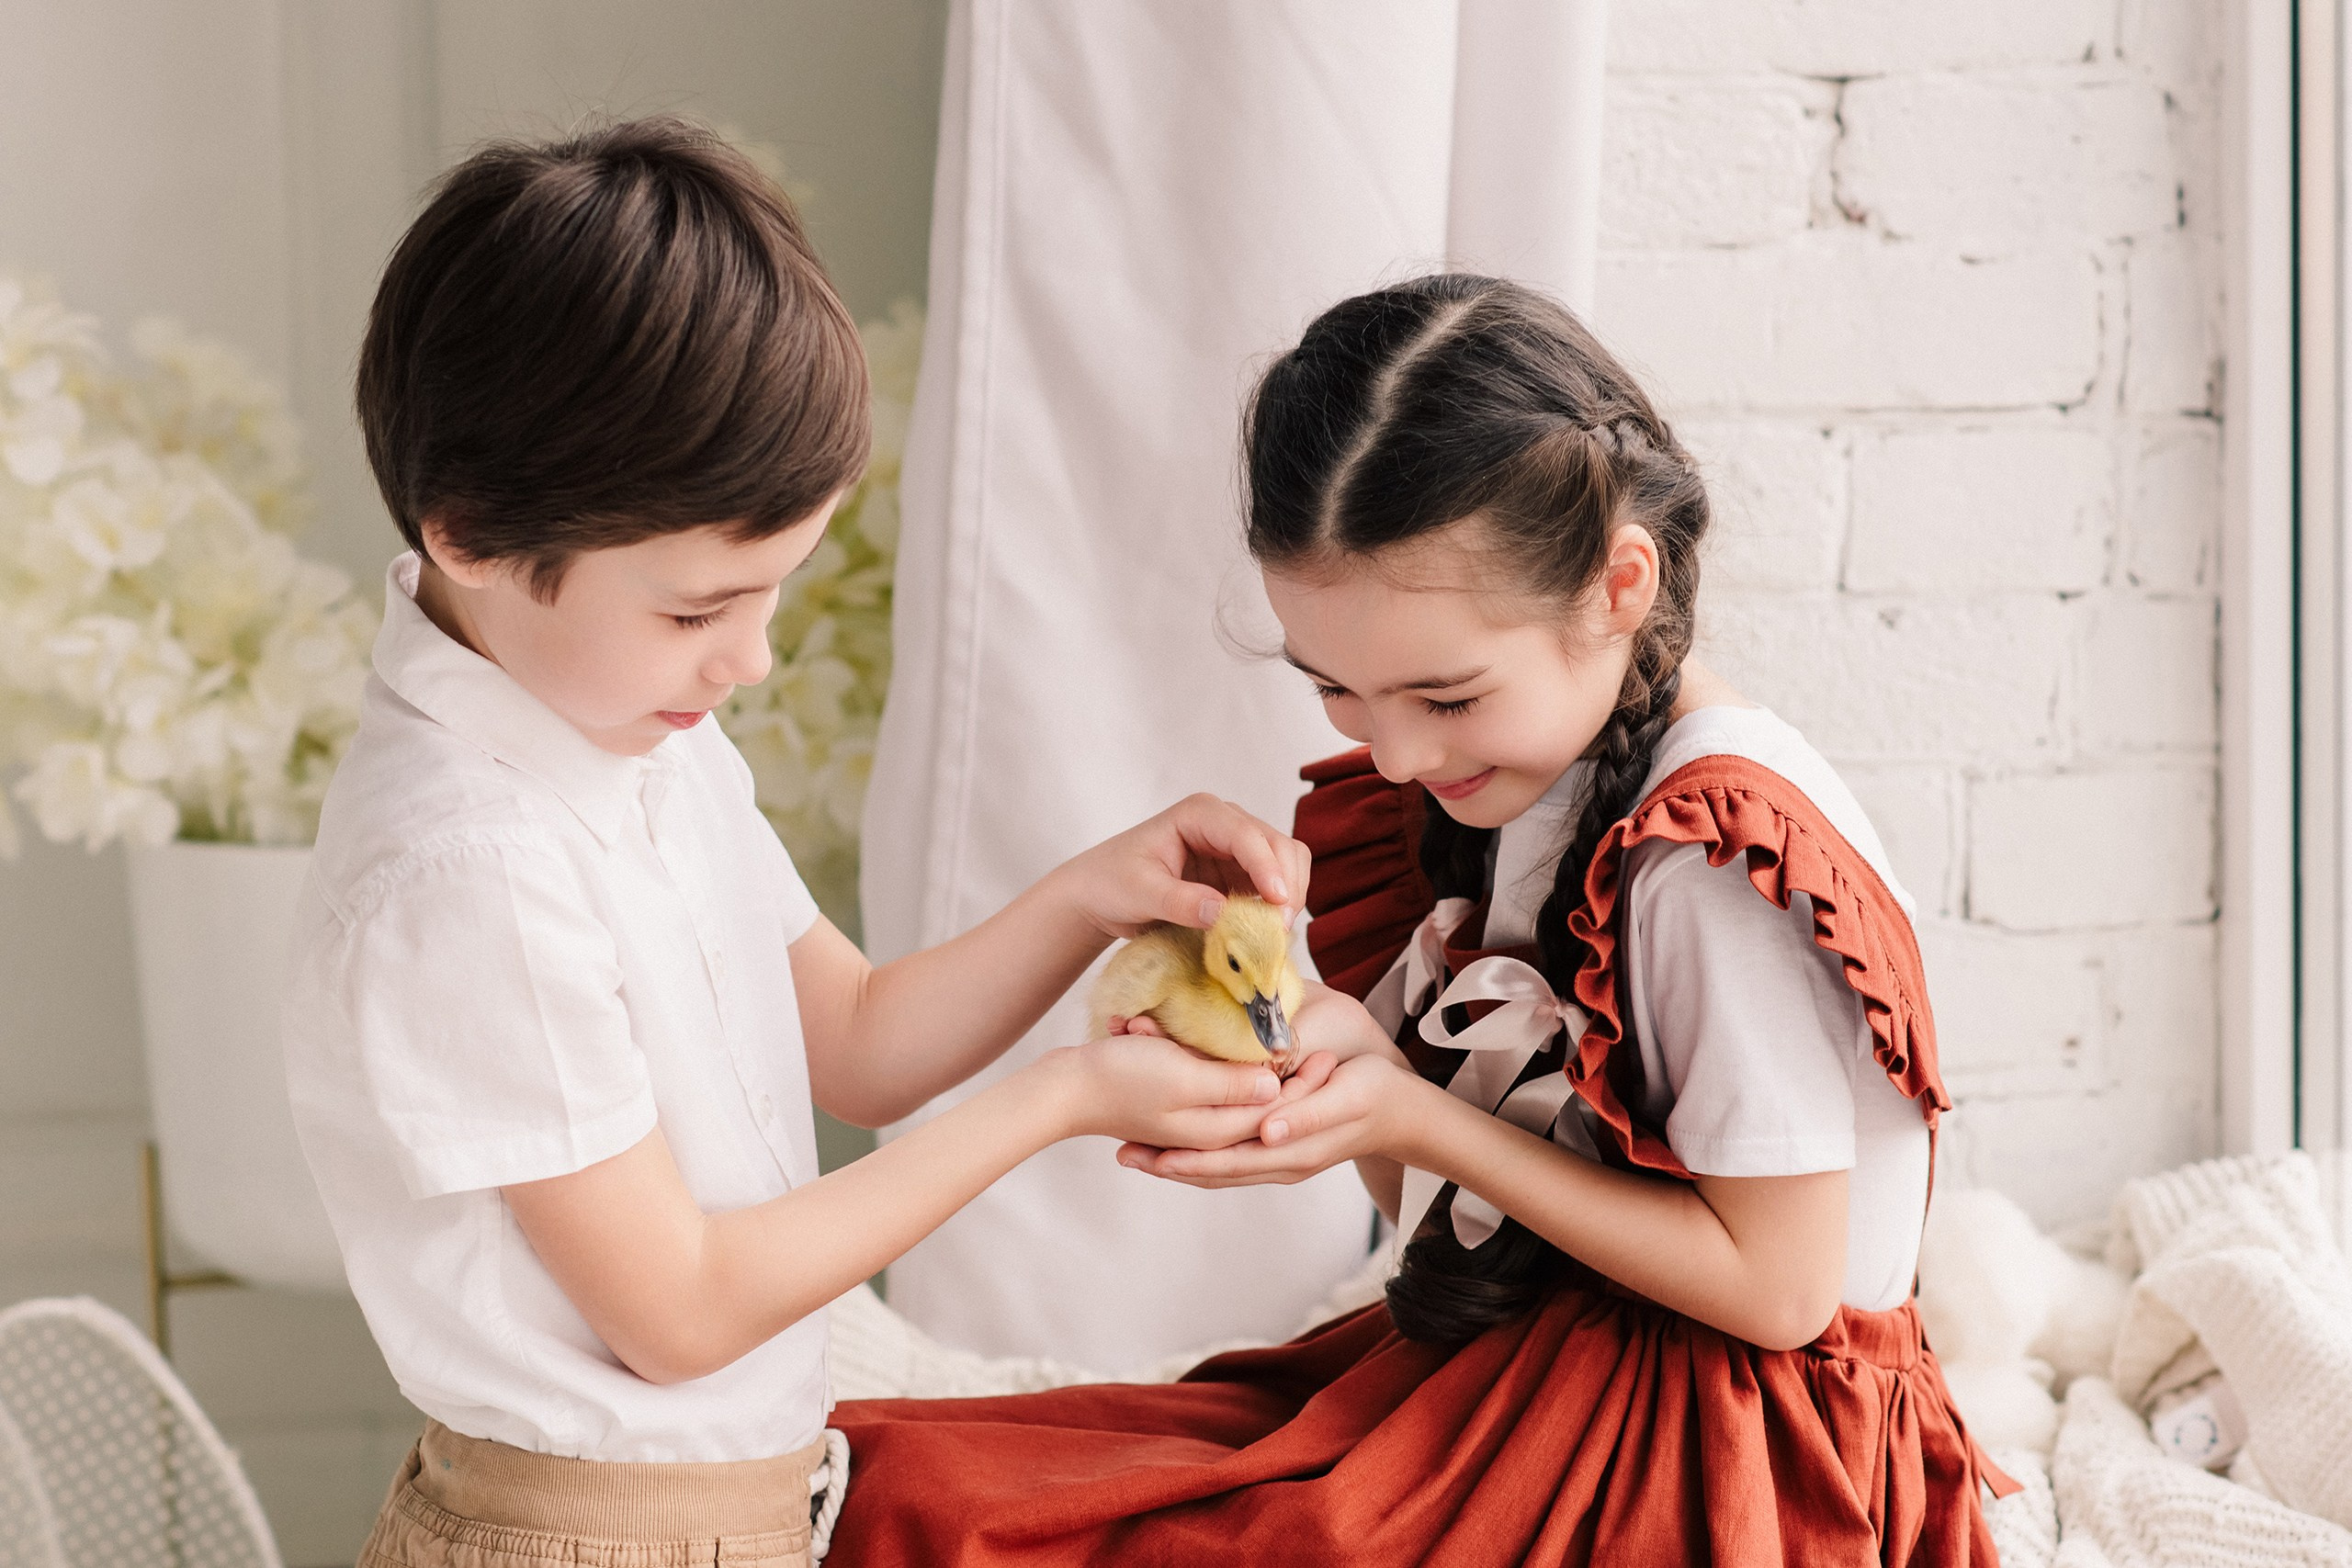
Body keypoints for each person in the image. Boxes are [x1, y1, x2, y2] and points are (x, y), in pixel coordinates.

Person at [826, 275, 2016, 1564]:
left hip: (1733, 1456)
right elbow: (1452, 1220)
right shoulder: (1533, 774)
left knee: (1020, 1533)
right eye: (1338, 690)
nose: (1392, 757)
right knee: (940, 1474)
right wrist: (1364, 1073)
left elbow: (1779, 1296)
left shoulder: (1708, 868)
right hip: (1577, 1368)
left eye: (1443, 697)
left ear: (1620, 585)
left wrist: (1413, 1112)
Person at [280, 117, 1308, 1568]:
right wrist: (1062, 1099)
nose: (747, 663)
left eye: (775, 595)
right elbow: (680, 1310)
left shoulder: (636, 731)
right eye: (700, 611)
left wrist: (1094, 893)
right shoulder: (474, 871)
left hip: (744, 1512)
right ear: (470, 537)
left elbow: (861, 1040)